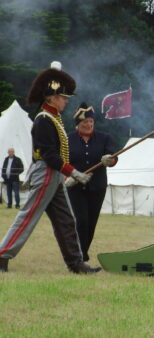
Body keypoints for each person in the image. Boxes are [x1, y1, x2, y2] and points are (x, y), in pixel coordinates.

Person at [0, 61, 99, 273]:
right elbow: (50, 154)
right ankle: (2, 254)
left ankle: (75, 262)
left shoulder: (54, 118)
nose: (65, 102)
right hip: (45, 173)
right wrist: (73, 172)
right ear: (52, 98)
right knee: (28, 216)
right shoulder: (44, 119)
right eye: (63, 98)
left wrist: (66, 172)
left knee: (66, 220)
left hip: (53, 174)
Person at [66, 102, 118, 263]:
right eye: (85, 123)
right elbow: (61, 160)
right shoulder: (68, 139)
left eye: (91, 122)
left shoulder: (104, 138)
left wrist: (109, 160)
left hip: (97, 187)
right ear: (78, 125)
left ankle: (82, 254)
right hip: (75, 186)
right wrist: (66, 176)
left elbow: (114, 157)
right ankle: (80, 256)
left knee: (91, 222)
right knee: (81, 220)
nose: (88, 125)